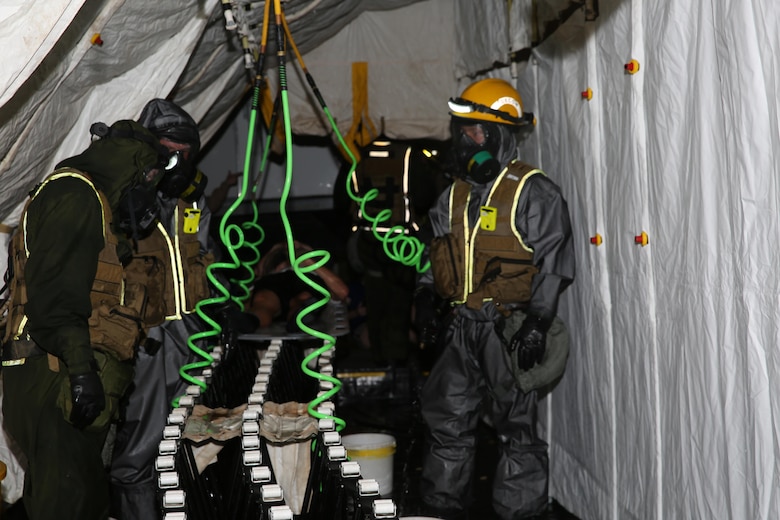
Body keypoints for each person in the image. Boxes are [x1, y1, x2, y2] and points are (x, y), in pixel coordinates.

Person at [1, 118, 183, 519]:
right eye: (149, 173)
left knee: (78, 501)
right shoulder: (75, 194)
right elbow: (56, 300)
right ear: (129, 164)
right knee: (66, 506)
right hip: (55, 373)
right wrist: (82, 372)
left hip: (62, 374)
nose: (149, 185)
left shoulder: (95, 201)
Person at [414, 78, 575, 520]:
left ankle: (520, 513)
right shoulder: (454, 194)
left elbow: (554, 263)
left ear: (499, 134)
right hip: (460, 327)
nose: (465, 140)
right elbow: (436, 254)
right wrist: (426, 295)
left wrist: (538, 323)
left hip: (507, 329)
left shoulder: (534, 192)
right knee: (446, 421)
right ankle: (438, 508)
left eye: (475, 131)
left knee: (516, 431)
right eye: (461, 129)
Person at [108, 98, 216, 520]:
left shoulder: (191, 205)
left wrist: (218, 311)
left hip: (188, 341)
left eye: (184, 156)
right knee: (137, 452)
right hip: (145, 344)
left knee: (178, 444)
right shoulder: (118, 198)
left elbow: (204, 260)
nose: (176, 164)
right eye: (167, 152)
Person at [250, 241, 349, 331]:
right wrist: (277, 248)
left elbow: (342, 292)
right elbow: (257, 273)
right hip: (278, 281)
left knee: (305, 297)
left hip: (307, 281)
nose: (294, 246)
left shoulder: (320, 271)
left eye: (300, 245)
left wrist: (308, 261)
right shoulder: (276, 264)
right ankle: (249, 321)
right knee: (263, 299)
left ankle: (299, 317)